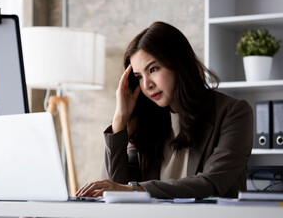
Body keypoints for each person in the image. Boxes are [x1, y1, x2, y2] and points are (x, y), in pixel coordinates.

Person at [76, 21, 253, 199]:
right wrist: (120, 118)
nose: (147, 84)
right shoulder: (146, 123)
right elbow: (114, 190)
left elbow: (211, 184)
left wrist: (136, 189)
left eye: (153, 69)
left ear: (178, 63)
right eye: (139, 77)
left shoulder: (234, 112)